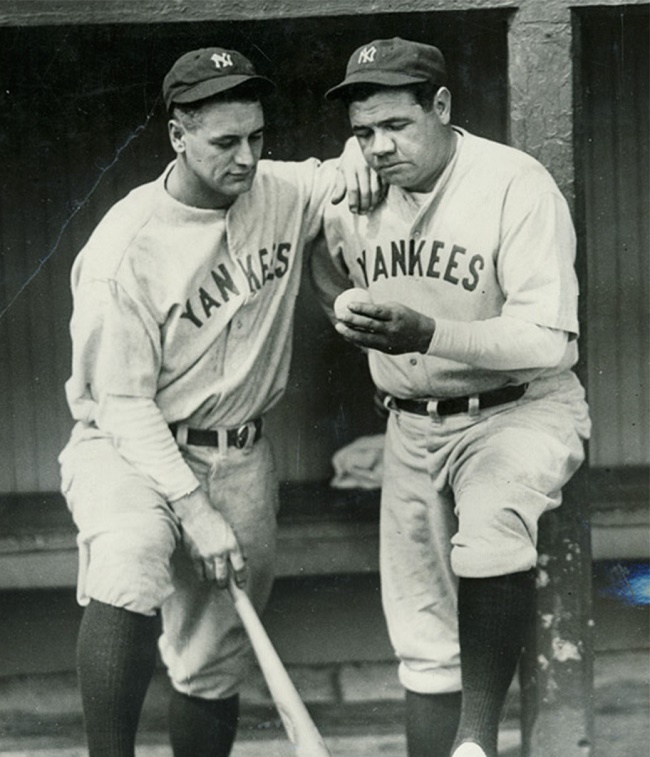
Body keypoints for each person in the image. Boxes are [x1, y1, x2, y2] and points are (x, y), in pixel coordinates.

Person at [58, 46, 379, 757]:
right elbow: (121, 402)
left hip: (239, 451)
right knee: (132, 554)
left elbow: (342, 177)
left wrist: (358, 170)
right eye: (225, 142)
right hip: (129, 446)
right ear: (178, 135)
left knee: (212, 658)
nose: (245, 157)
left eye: (257, 137)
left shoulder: (278, 189)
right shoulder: (126, 248)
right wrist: (192, 508)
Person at [311, 37, 591, 757]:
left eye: (396, 127)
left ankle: (474, 742)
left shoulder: (512, 182)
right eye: (363, 132)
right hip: (410, 423)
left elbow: (547, 341)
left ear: (441, 107)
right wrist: (338, 303)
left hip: (519, 407)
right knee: (421, 635)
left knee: (492, 525)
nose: (378, 146)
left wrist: (430, 332)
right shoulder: (358, 187)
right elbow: (316, 252)